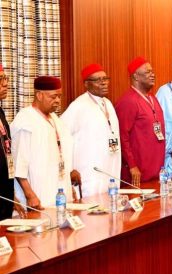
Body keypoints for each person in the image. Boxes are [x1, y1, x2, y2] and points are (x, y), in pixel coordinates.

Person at [11, 76, 80, 209]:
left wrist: (67, 185)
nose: (58, 101)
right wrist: (30, 195)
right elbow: (19, 163)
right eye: (53, 97)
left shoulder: (55, 119)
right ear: (39, 95)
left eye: (59, 96)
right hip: (38, 197)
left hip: (58, 194)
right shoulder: (25, 120)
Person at [61, 64, 121, 197]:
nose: (104, 82)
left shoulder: (108, 103)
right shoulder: (78, 106)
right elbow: (61, 136)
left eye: (105, 78)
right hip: (89, 171)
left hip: (109, 166)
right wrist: (69, 169)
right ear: (86, 84)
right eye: (98, 80)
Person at [115, 57, 165, 186]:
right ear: (136, 76)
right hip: (138, 174)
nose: (152, 75)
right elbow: (122, 136)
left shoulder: (152, 98)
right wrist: (132, 165)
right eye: (147, 72)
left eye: (152, 71)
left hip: (156, 170)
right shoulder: (128, 101)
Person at [0, 64, 14, 219]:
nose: (5, 84)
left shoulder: (1, 113)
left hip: (5, 196)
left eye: (5, 78)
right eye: (0, 79)